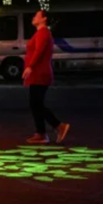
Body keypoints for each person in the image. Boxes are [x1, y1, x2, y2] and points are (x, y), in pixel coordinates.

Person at [22, 10, 70, 144]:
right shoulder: (40, 33)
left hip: (40, 73)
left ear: (44, 19)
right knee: (36, 103)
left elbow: (39, 51)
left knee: (36, 103)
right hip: (38, 73)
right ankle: (41, 133)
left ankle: (56, 127)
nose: (33, 17)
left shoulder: (43, 33)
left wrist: (30, 66)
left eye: (36, 15)